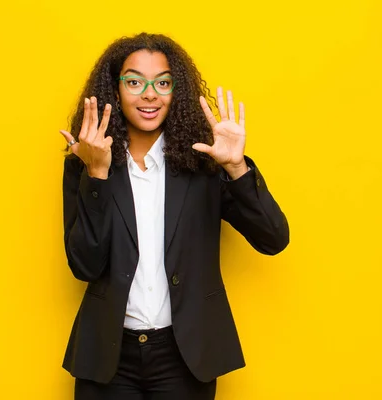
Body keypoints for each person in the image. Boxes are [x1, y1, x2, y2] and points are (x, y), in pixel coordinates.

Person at [58, 32, 289, 400]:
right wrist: (97, 176)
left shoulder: (205, 163)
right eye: (134, 81)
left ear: (175, 91)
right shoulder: (86, 165)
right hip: (108, 358)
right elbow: (84, 265)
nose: (149, 93)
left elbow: (273, 238)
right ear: (115, 90)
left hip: (185, 357)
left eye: (162, 82)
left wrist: (237, 167)